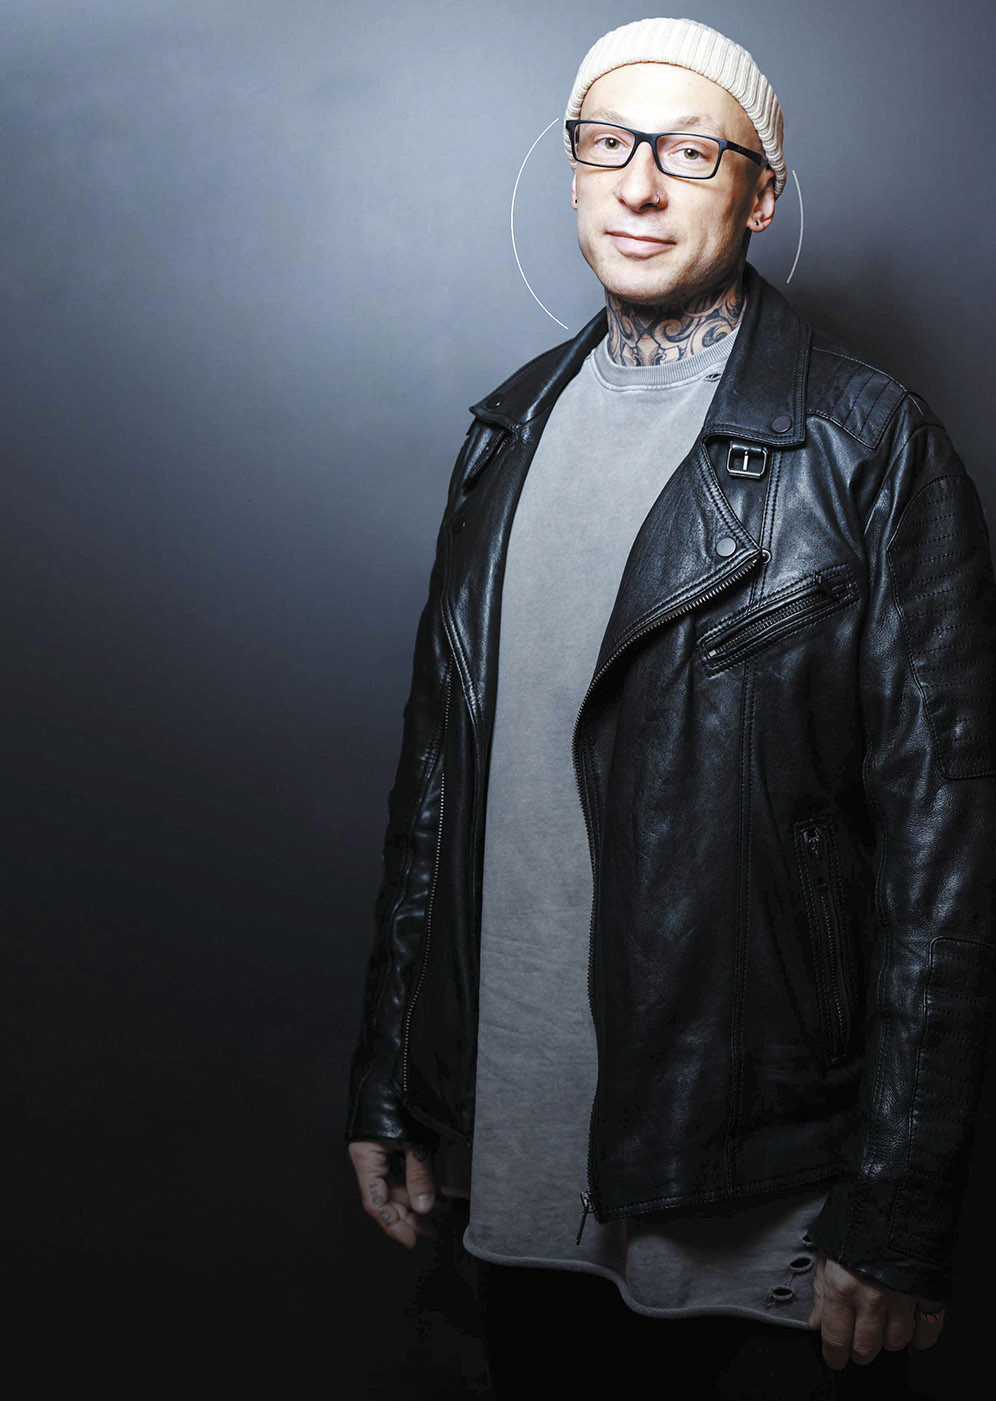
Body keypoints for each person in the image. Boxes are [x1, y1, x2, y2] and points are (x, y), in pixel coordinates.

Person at [344, 15, 996, 1397]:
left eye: (690, 152)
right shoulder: (506, 433)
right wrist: (394, 1078)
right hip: (517, 1154)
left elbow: (947, 857)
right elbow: (436, 789)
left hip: (758, 1176)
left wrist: (900, 1199)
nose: (640, 184)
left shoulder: (870, 447)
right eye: (608, 144)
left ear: (759, 196)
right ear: (575, 169)